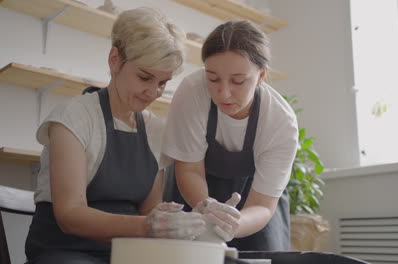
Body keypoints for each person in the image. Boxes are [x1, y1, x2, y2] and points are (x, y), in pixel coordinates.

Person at [25, 8, 205, 264]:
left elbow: (148, 213)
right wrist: (147, 226)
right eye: (145, 77)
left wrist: (172, 222)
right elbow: (70, 215)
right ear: (114, 59)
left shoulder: (157, 131)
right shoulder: (73, 117)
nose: (153, 91)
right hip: (64, 252)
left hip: (125, 254)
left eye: (163, 83)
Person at [162, 20, 298, 251]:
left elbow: (263, 205)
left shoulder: (280, 122)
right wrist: (206, 206)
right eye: (213, 79)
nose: (223, 93)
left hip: (257, 195)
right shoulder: (193, 92)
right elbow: (190, 169)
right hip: (197, 184)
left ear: (261, 76)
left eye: (238, 81)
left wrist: (234, 223)